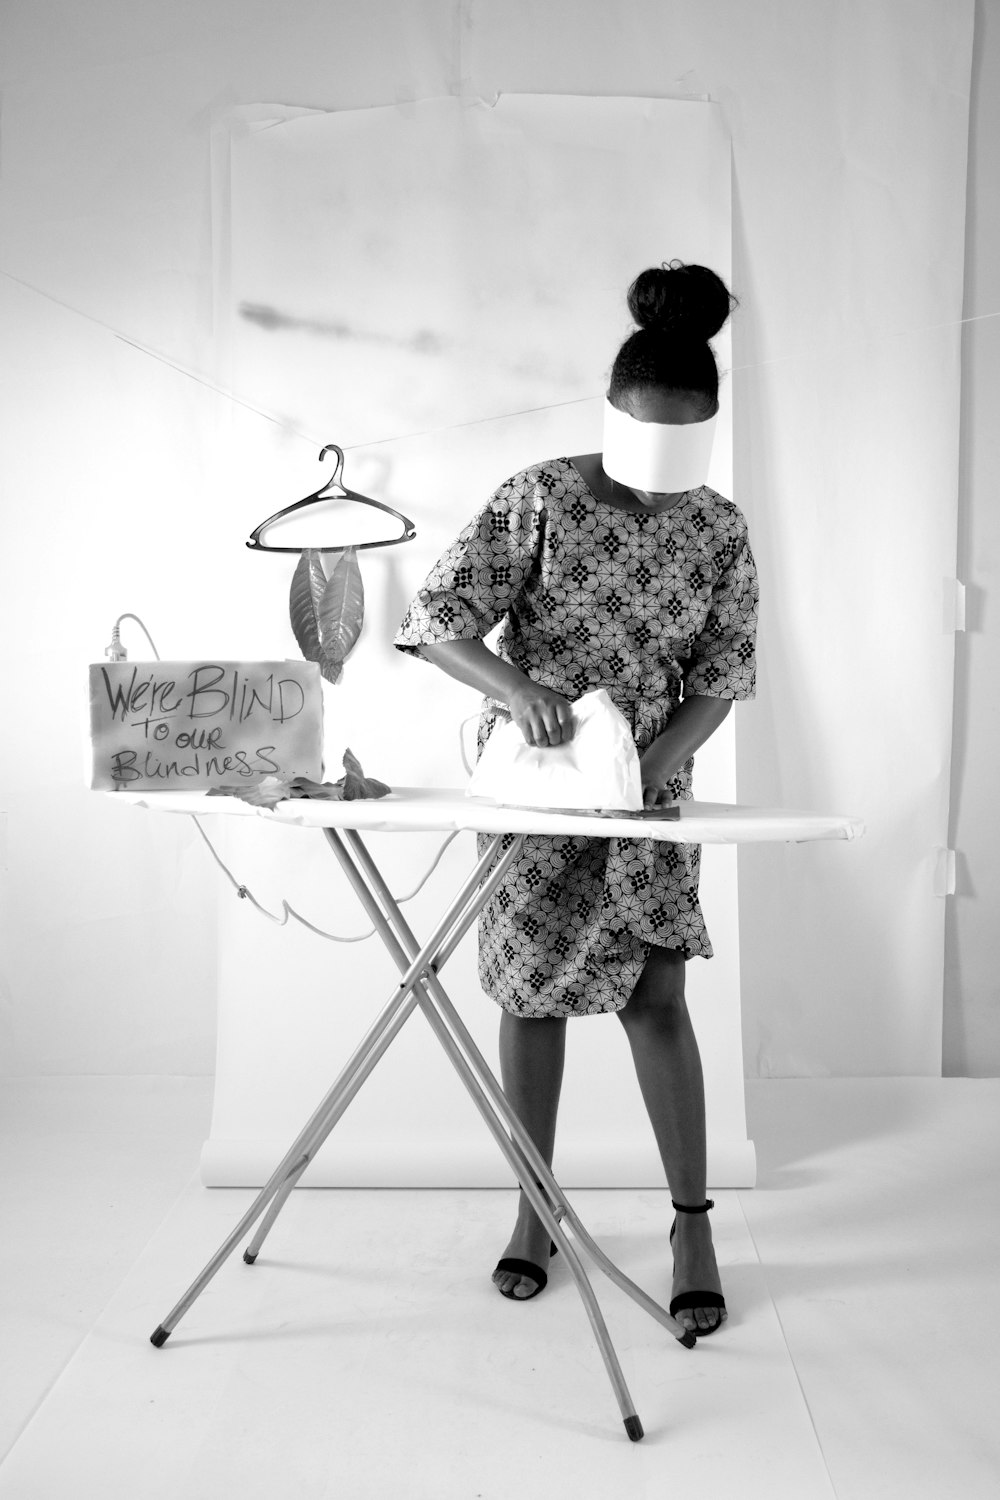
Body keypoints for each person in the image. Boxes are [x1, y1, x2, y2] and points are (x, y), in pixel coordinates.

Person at [394, 261, 758, 1336]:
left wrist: (647, 772)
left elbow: (721, 679)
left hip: (646, 799)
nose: (658, 480)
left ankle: (691, 1222)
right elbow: (438, 616)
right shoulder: (539, 496)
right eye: (644, 445)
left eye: (681, 452)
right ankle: (533, 1207)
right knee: (530, 996)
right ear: (612, 415)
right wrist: (521, 690)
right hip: (541, 792)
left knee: (655, 1001)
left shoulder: (719, 530)